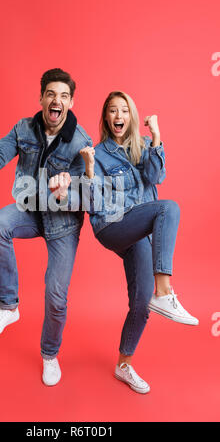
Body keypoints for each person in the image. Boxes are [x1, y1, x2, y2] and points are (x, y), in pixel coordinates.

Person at [0, 68, 92, 386]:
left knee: (55, 296)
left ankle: (50, 356)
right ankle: (8, 307)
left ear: (71, 102)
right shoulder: (23, 129)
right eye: (51, 94)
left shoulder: (80, 142)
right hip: (30, 210)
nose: (57, 100)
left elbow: (89, 194)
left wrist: (68, 192)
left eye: (64, 96)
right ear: (41, 98)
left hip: (63, 222)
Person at [80, 90, 198, 394]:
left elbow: (156, 177)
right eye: (112, 111)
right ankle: (166, 291)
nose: (118, 116)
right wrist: (90, 170)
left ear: (131, 116)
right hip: (112, 225)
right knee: (168, 208)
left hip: (140, 232)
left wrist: (156, 135)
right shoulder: (97, 153)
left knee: (141, 302)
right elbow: (94, 205)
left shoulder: (142, 147)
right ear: (106, 118)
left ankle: (123, 365)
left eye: (124, 110)